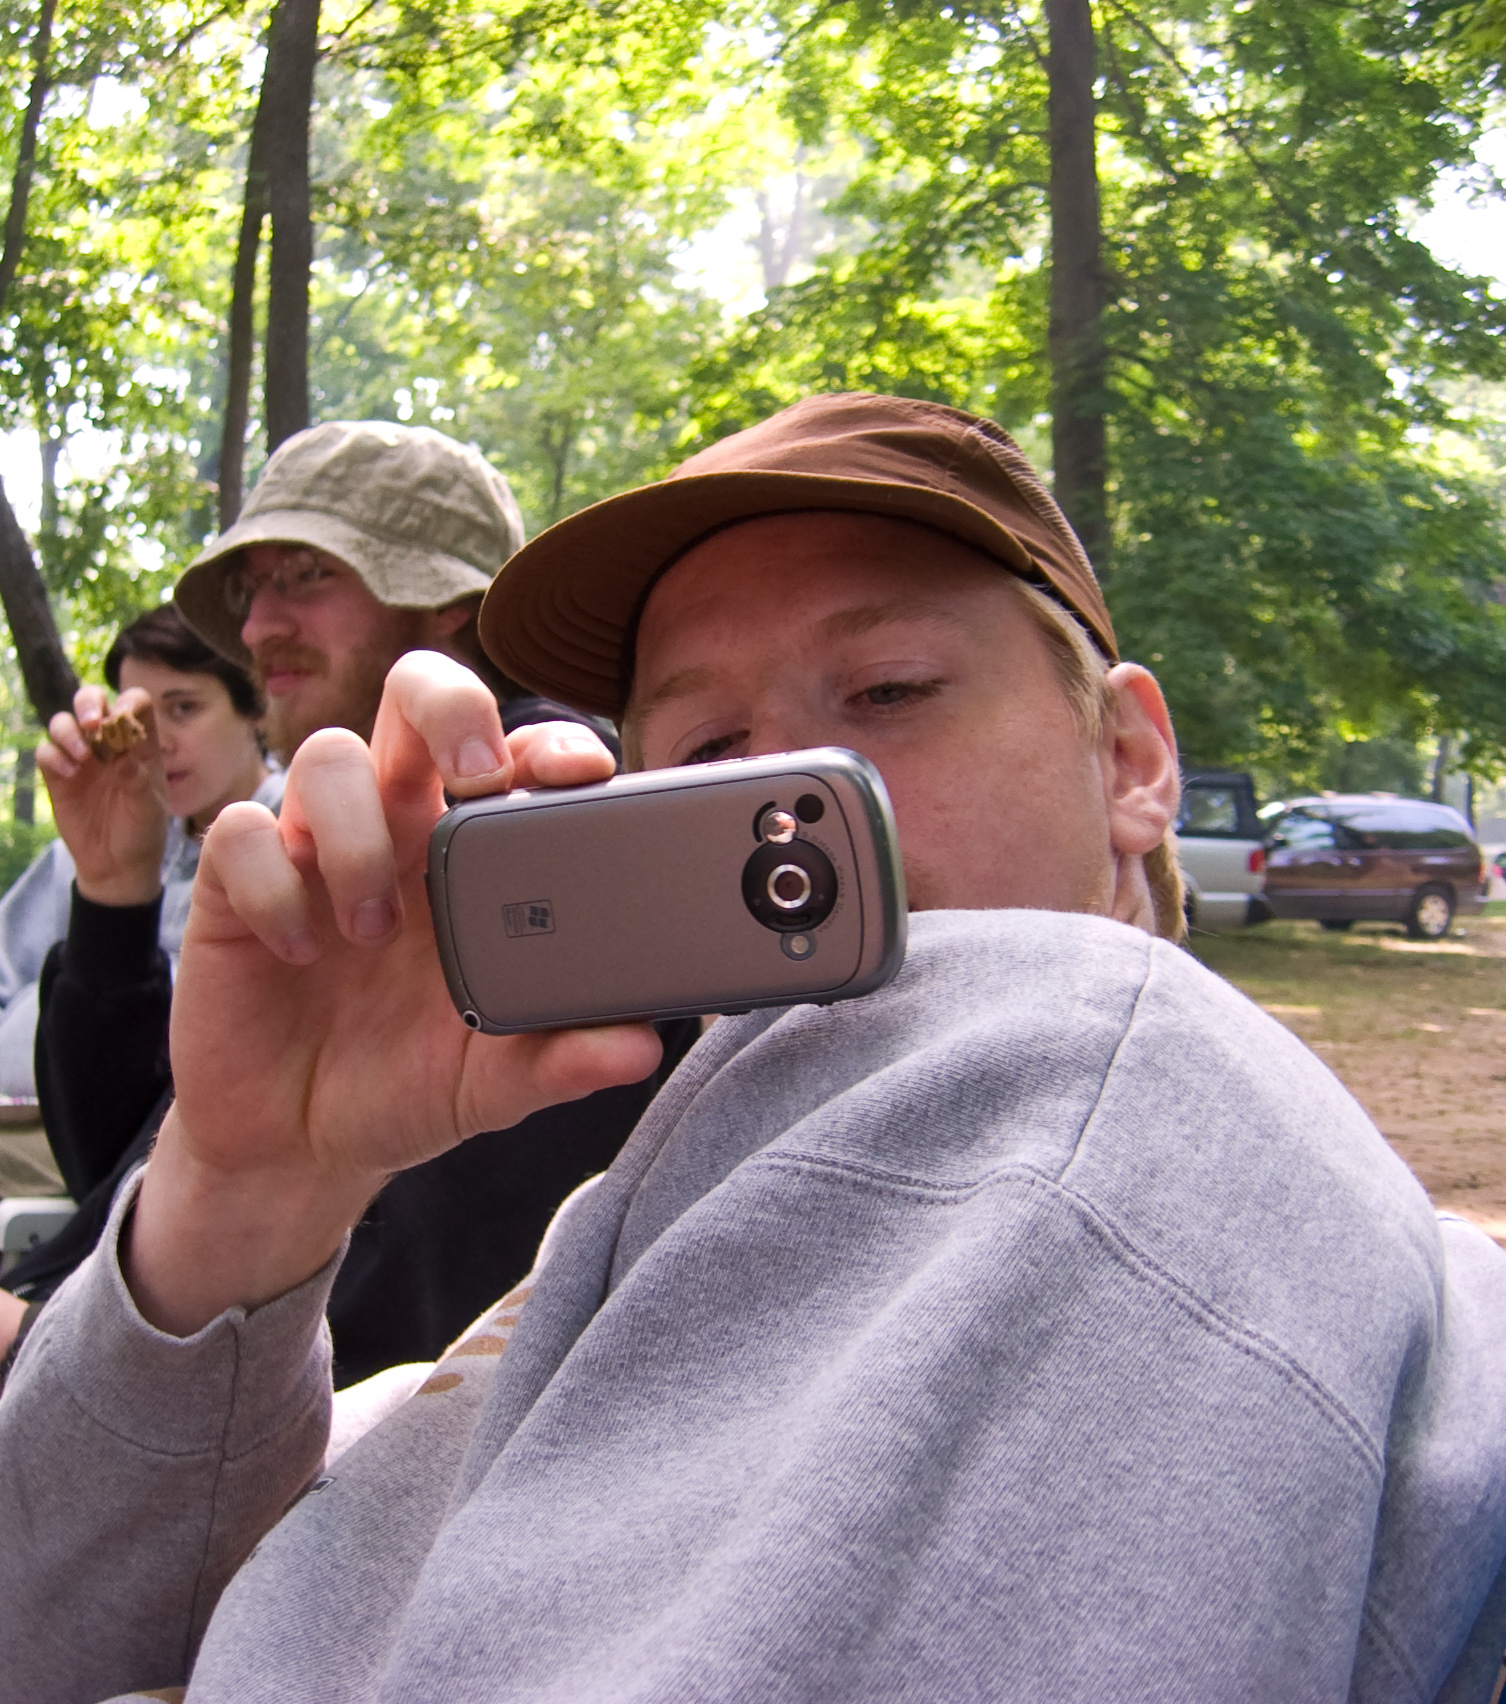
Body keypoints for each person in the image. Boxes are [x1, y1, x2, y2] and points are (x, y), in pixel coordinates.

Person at [5, 392, 1506, 1703]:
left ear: (1127, 760)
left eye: (890, 694)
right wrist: (241, 1194)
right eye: (707, 756)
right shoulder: (661, 1211)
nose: (797, 780)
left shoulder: (1094, 1065)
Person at [0, 419, 694, 1387]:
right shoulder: (349, 828)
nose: (255, 626)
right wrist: (114, 896)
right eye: (250, 591)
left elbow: (423, 1303)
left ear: (448, 600)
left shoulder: (539, 824)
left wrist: (35, 1355)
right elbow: (125, 1168)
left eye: (306, 577)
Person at [0, 605, 279, 1102]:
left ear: (254, 704)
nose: (157, 742)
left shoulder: (297, 832)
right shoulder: (83, 855)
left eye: (183, 708)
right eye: (136, 717)